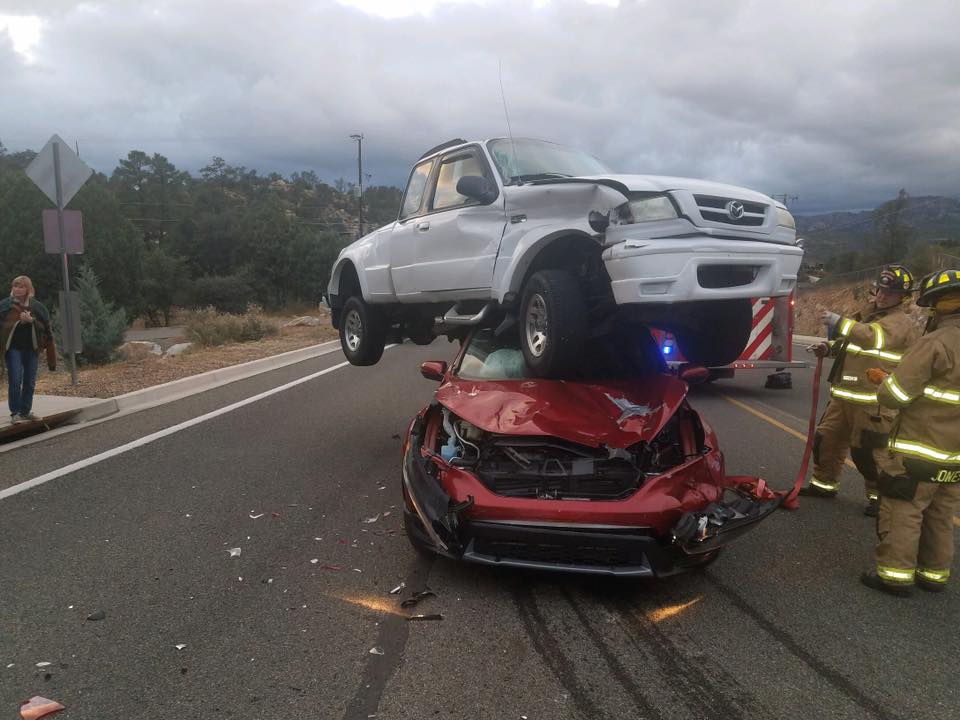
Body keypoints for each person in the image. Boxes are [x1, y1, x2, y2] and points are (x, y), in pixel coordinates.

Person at [859, 269, 960, 596]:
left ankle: (895, 576)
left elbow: (896, 395)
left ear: (940, 305)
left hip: (919, 448)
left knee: (904, 508)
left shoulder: (935, 342)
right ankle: (933, 574)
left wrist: (883, 381)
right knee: (940, 513)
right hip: (954, 455)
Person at [799, 265, 920, 516]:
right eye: (881, 290)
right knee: (826, 441)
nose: (883, 296)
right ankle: (824, 484)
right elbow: (852, 343)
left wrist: (839, 322)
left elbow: (870, 338)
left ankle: (880, 498)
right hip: (843, 397)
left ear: (903, 297)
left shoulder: (899, 323)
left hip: (873, 403)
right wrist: (829, 348)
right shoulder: (868, 315)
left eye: (891, 292)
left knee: (869, 452)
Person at [1, 276, 56, 424]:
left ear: (28, 289)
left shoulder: (37, 307)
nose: (17, 289)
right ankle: (15, 413)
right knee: (15, 380)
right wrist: (18, 321)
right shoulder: (5, 305)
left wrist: (32, 321)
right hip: (13, 349)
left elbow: (46, 328)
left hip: (32, 349)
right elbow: (2, 326)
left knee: (30, 381)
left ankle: (25, 411)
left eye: (21, 286)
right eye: (15, 286)